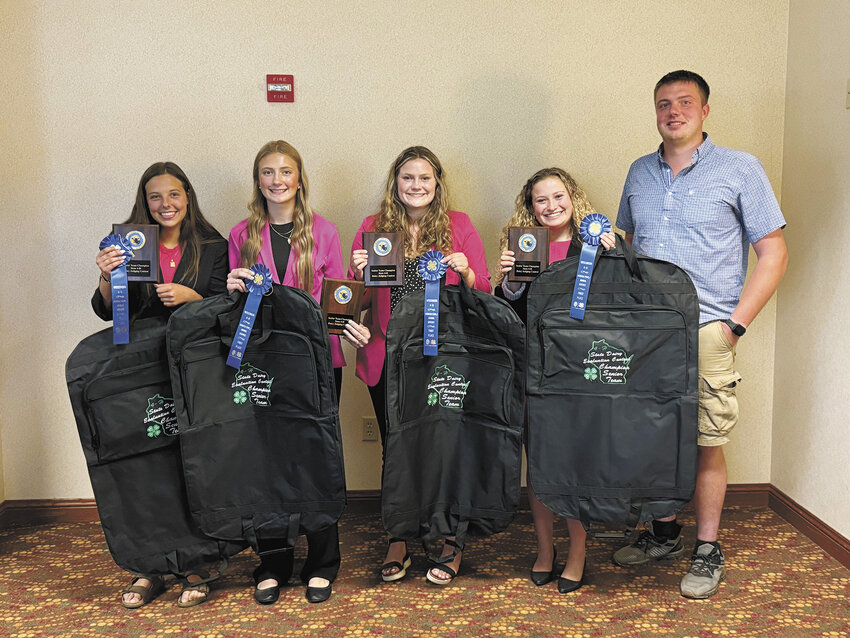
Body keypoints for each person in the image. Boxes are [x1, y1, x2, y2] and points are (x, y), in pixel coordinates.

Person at [613, 70, 788, 599]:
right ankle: (663, 532)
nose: (673, 112)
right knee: (654, 437)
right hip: (646, 333)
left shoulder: (740, 169)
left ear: (705, 110)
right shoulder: (639, 172)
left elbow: (773, 253)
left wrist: (733, 327)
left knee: (706, 440)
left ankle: (707, 548)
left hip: (708, 328)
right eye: (663, 103)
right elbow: (624, 244)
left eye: (685, 102)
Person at [226, 140, 369, 605]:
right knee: (266, 462)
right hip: (263, 362)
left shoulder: (325, 231)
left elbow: (338, 296)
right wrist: (231, 288)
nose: (277, 180)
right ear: (258, 180)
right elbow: (234, 309)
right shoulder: (240, 235)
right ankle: (273, 562)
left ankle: (323, 562)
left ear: (299, 178)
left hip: (317, 360)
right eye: (267, 172)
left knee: (317, 458)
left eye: (286, 171)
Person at [348, 145, 491, 585]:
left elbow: (484, 290)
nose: (416, 186)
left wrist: (466, 271)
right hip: (388, 357)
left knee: (446, 446)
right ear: (396, 183)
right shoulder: (372, 229)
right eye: (407, 178)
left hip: (444, 355)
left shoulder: (458, 226)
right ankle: (399, 537)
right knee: (396, 448)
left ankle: (450, 540)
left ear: (437, 184)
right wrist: (357, 278)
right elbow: (352, 303)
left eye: (424, 178)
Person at [93, 161, 229, 609]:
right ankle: (149, 567)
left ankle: (196, 564)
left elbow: (229, 309)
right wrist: (107, 275)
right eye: (155, 196)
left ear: (187, 196)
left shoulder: (213, 247)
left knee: (191, 463)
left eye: (174, 194)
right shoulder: (131, 246)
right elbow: (108, 312)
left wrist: (195, 299)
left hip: (195, 371)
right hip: (142, 373)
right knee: (147, 466)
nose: (165, 204)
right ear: (144, 202)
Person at [495, 167, 615, 593]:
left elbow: (617, 302)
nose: (551, 206)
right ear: (531, 207)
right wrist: (508, 279)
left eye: (558, 197)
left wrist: (611, 256)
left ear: (572, 198)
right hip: (534, 367)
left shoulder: (594, 243)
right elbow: (505, 310)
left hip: (579, 370)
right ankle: (545, 550)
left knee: (573, 464)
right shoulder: (525, 246)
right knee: (540, 462)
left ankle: (578, 552)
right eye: (541, 200)